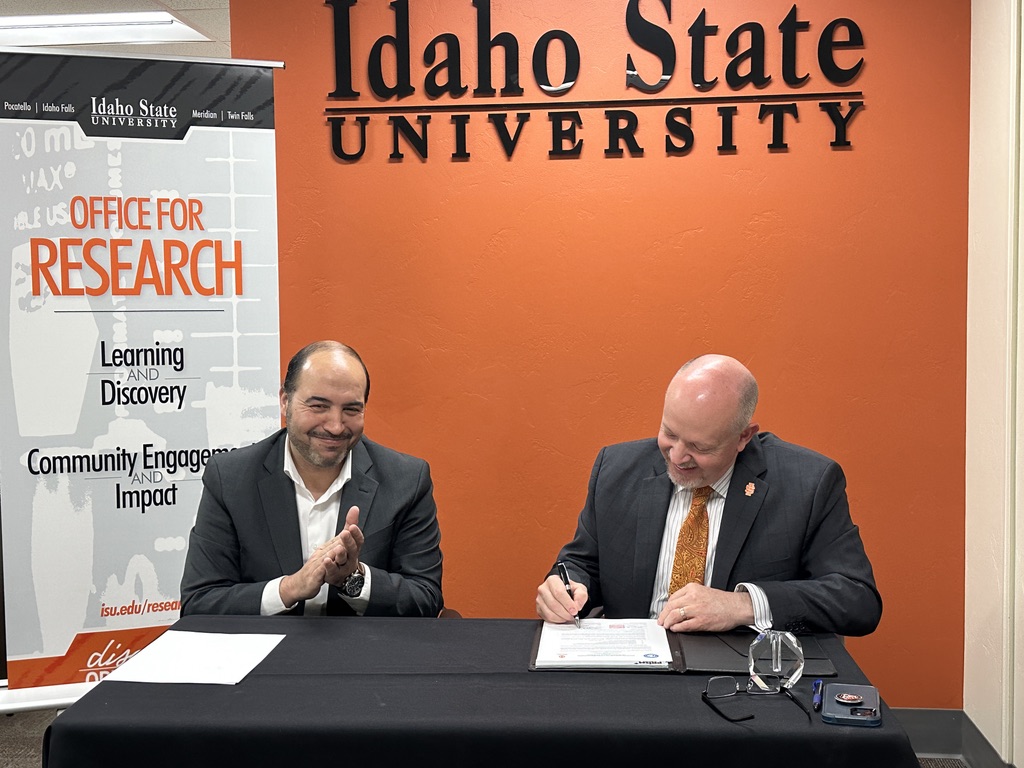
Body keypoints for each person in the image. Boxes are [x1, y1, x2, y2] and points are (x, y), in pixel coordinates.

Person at [535, 354, 881, 636]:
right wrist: (566, 587)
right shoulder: (616, 468)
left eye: (700, 446)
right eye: (669, 433)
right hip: (632, 675)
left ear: (744, 437)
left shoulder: (809, 483)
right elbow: (581, 563)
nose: (676, 456)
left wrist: (743, 606)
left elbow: (857, 600)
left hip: (745, 681)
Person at [181, 340, 443, 617]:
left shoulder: (407, 480)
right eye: (318, 406)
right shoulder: (230, 478)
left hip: (365, 655)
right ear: (285, 400)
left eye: (352, 410)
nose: (335, 425)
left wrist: (354, 579)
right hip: (268, 657)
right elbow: (200, 603)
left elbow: (426, 599)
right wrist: (289, 589)